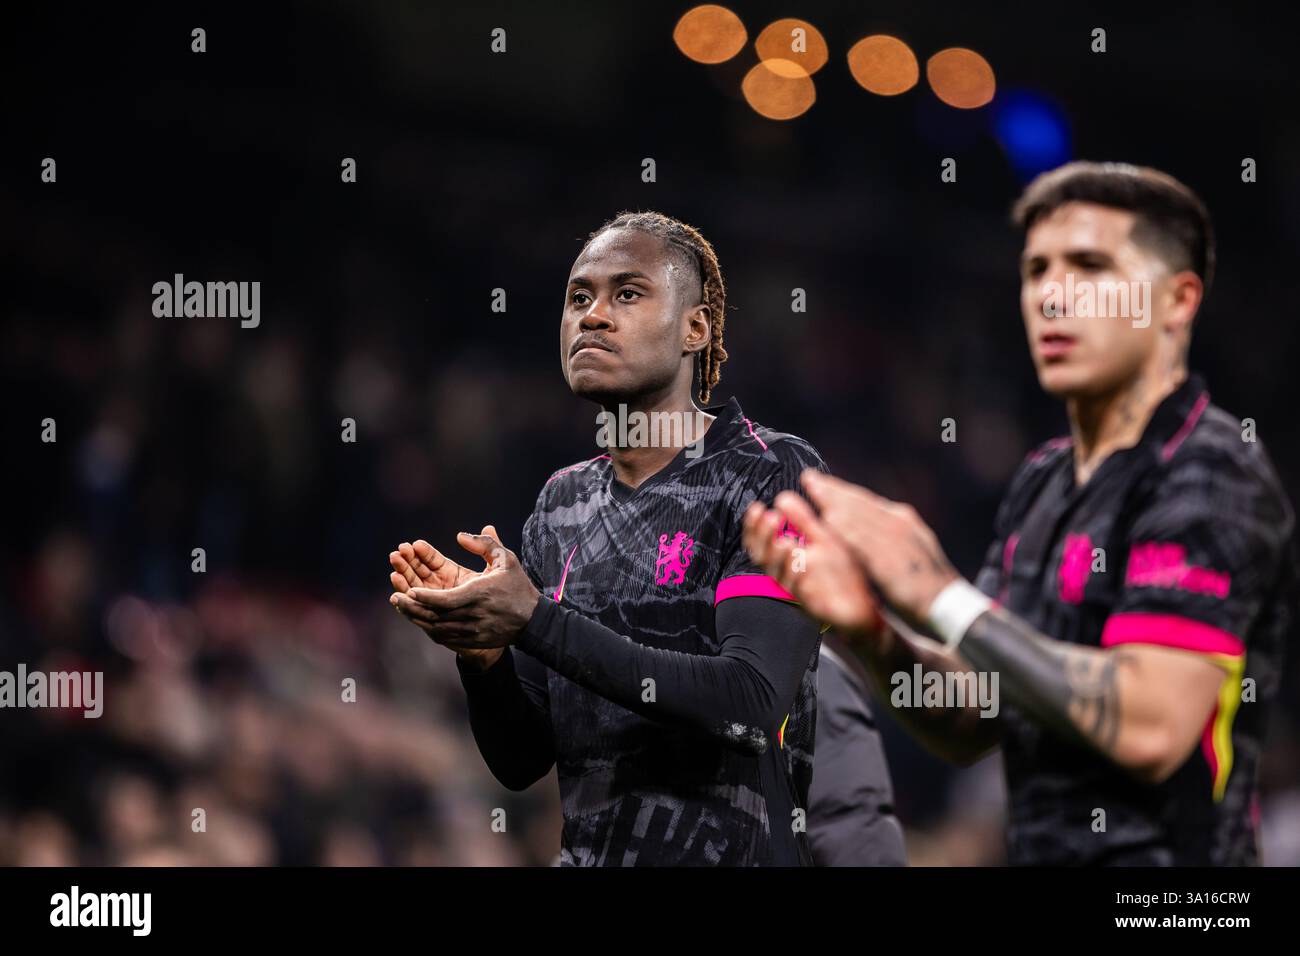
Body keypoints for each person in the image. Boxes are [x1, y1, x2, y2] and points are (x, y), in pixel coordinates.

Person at [744, 162, 1297, 865]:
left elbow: (1153, 728)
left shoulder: (1211, 471)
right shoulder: (1044, 481)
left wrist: (938, 593)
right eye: (1036, 270)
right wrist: (873, 631)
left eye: (1089, 266)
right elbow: (978, 719)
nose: (1051, 296)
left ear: (1178, 301)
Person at [390, 211, 830, 865]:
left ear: (696, 327)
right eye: (578, 297)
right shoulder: (560, 505)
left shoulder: (773, 474)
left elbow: (751, 703)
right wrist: (483, 655)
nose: (592, 315)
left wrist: (533, 620)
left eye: (628, 293)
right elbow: (520, 760)